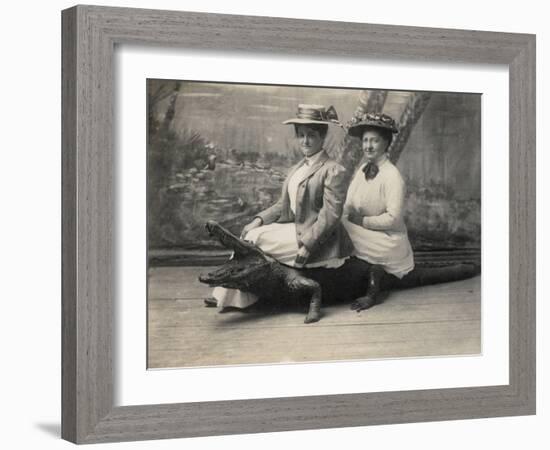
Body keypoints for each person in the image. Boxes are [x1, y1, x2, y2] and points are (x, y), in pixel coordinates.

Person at [205, 104, 353, 312]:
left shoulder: (333, 170)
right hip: (297, 227)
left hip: (321, 238)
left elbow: (331, 215)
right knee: (252, 233)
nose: (305, 141)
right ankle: (229, 295)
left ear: (322, 137)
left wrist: (308, 245)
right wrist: (258, 219)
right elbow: (283, 205)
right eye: (301, 135)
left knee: (254, 240)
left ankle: (231, 297)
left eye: (311, 135)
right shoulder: (299, 168)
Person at [342, 112, 414, 311]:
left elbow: (392, 219)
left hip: (388, 240)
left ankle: (372, 284)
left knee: (342, 234)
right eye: (365, 140)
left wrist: (361, 221)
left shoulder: (392, 176)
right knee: (335, 228)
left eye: (374, 140)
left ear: (386, 143)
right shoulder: (363, 169)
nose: (368, 146)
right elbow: (348, 205)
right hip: (365, 234)